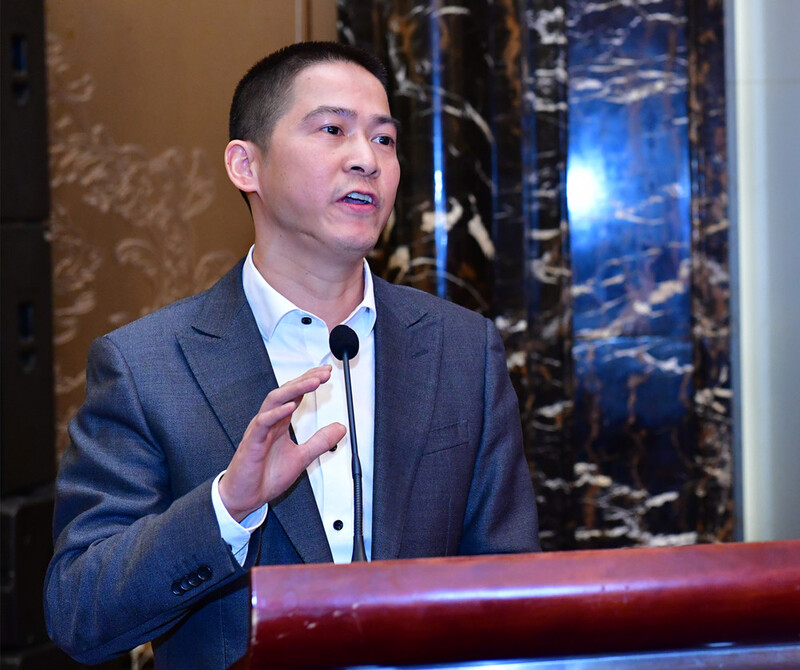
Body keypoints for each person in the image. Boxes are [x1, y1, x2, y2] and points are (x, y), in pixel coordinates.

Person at [44, 41, 539, 669]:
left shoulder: (463, 349)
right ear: (246, 165)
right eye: (332, 130)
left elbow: (511, 587)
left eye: (384, 139)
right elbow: (78, 610)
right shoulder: (146, 366)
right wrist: (228, 507)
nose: (366, 159)